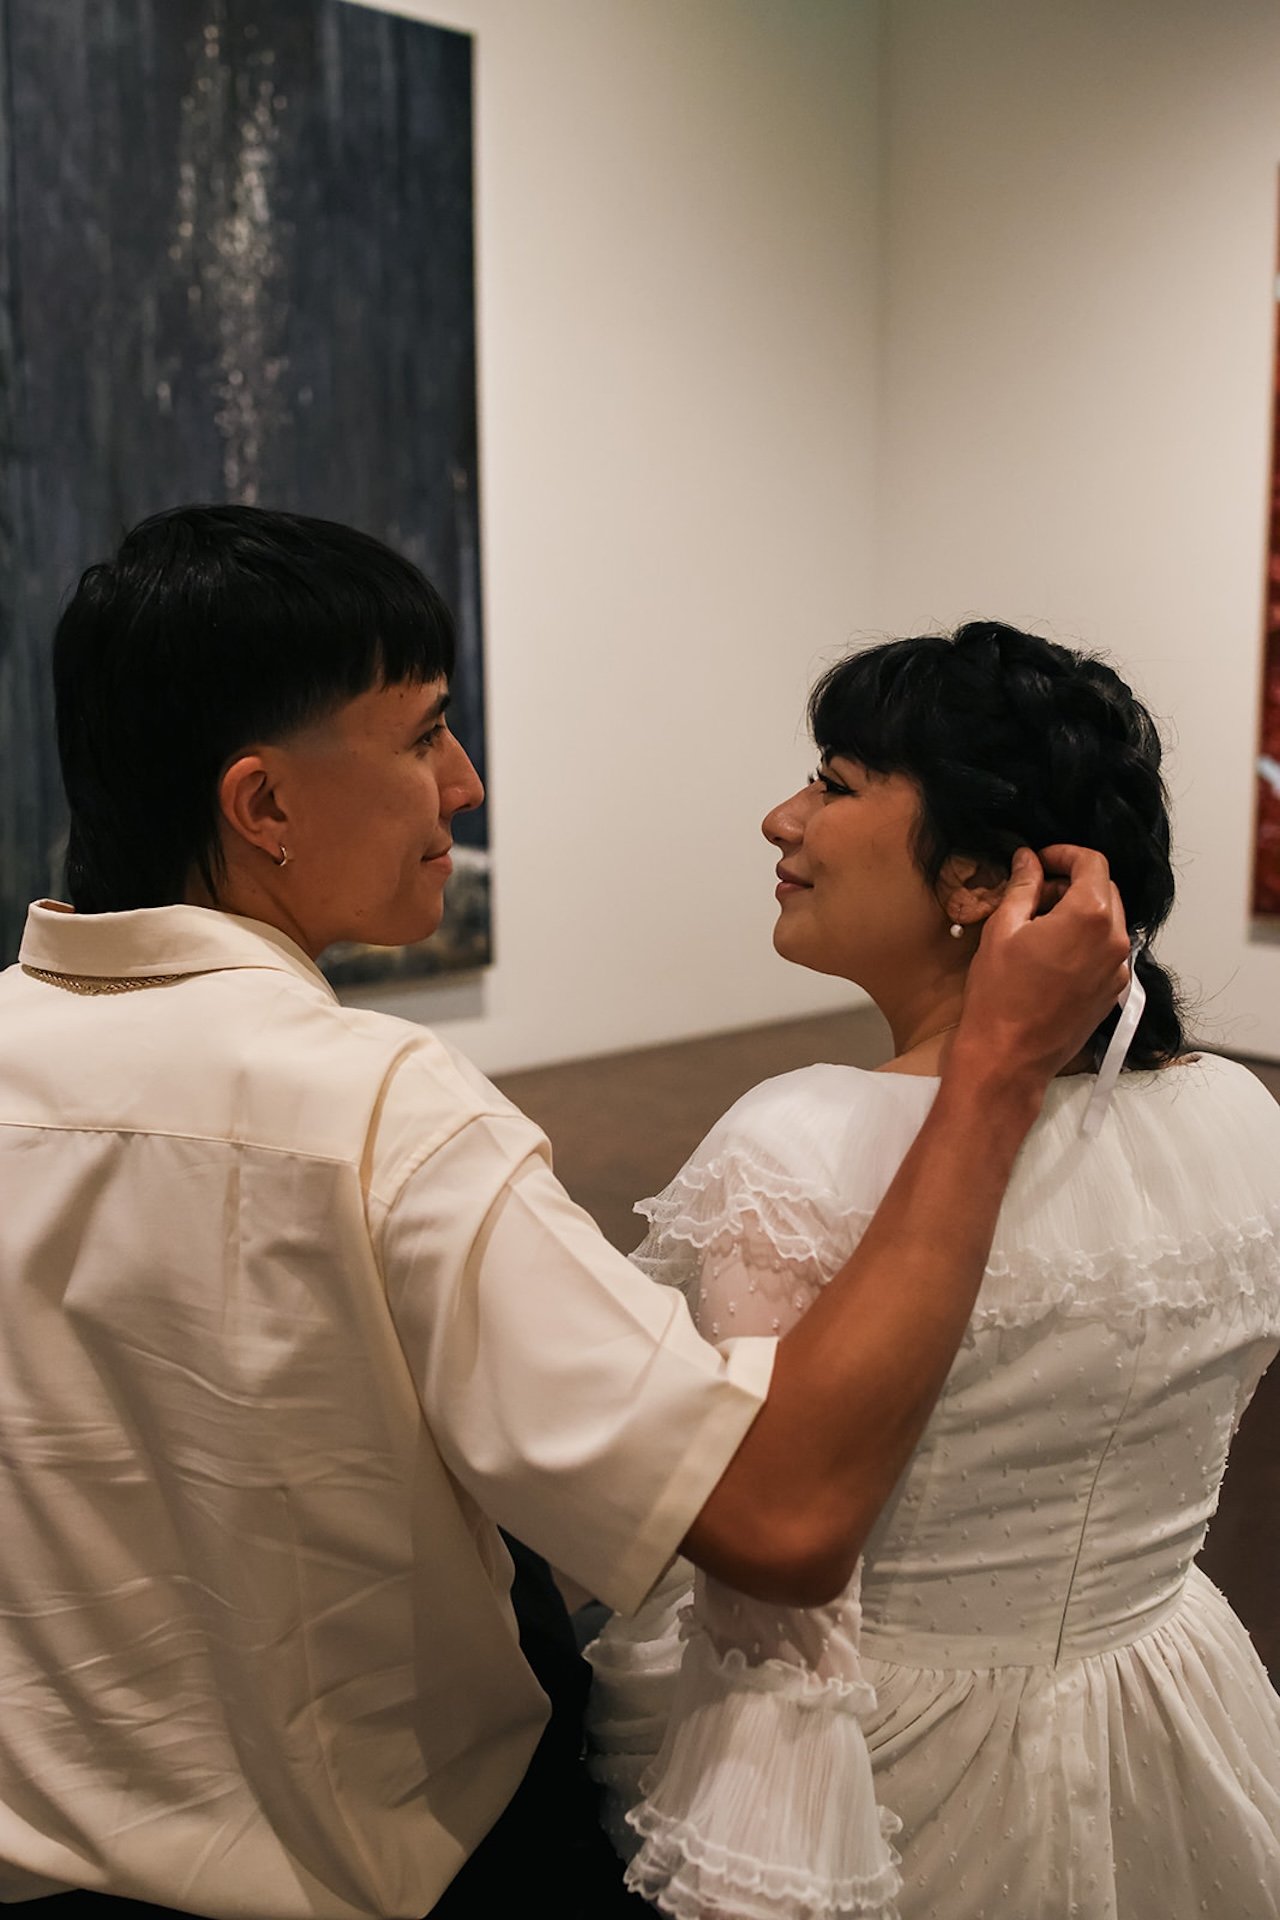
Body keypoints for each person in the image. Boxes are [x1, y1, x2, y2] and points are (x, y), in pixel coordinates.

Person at [0, 511, 1128, 1920]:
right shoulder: (377, 1111)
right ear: (264, 806)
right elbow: (777, 1516)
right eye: (424, 735)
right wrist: (997, 1072)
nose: (464, 784)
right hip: (373, 1872)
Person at [586, 622, 1280, 1920]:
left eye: (836, 784)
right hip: (1161, 1694)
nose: (782, 819)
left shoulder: (800, 1145)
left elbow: (761, 1546)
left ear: (974, 878)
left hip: (888, 1764)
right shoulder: (1243, 1116)